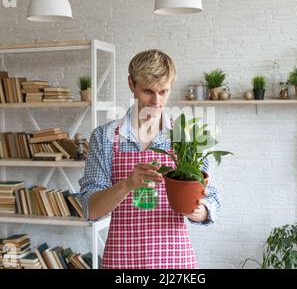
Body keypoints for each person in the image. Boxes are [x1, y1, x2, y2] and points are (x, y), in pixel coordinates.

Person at [79, 49, 220, 269]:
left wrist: (198, 211)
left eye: (164, 91)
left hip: (174, 261)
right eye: (148, 91)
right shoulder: (105, 137)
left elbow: (211, 199)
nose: (157, 101)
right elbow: (91, 209)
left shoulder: (185, 137)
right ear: (131, 85)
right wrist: (127, 185)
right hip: (122, 261)